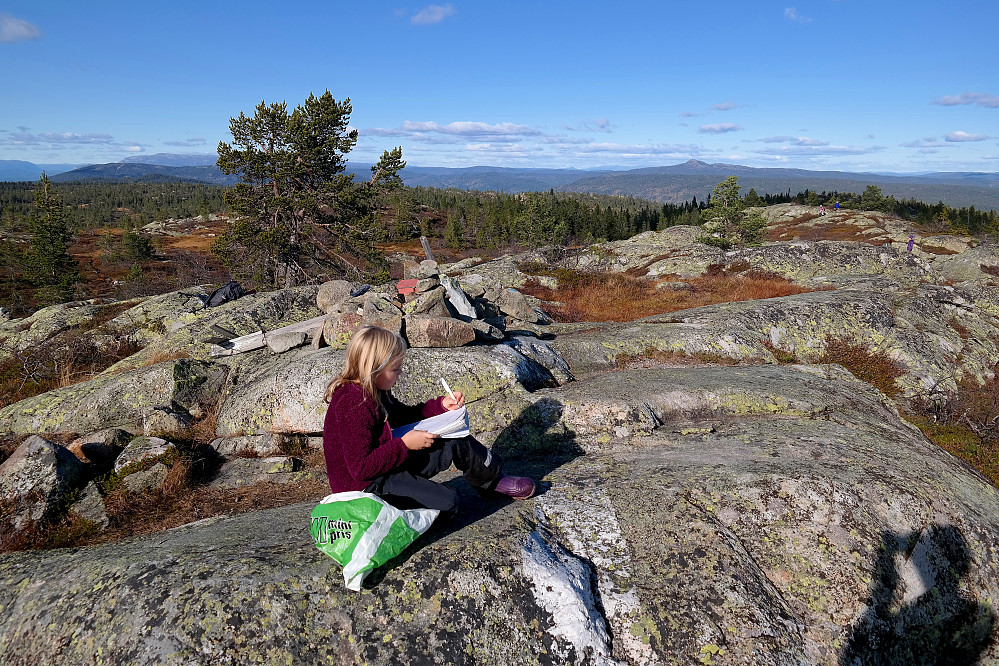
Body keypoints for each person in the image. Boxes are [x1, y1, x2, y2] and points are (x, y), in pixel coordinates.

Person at [323, 325, 535, 515]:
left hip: (386, 466)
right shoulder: (353, 403)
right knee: (450, 503)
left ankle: (493, 479)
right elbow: (360, 468)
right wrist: (404, 445)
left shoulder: (374, 390)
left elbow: (402, 415)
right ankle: (394, 518)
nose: (400, 373)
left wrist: (441, 406)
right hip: (366, 488)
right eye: (395, 369)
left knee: (455, 438)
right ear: (374, 368)